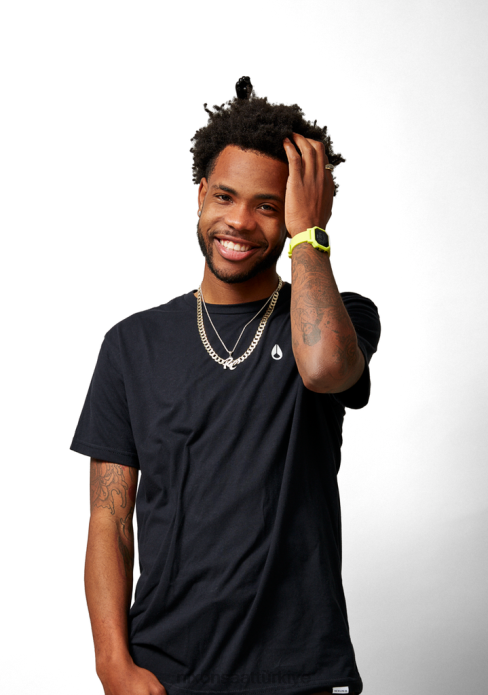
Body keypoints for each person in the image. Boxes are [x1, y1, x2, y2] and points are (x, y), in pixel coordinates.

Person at [70, 76, 381, 695]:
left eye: (268, 206)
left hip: (296, 672)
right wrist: (113, 665)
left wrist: (308, 236)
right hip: (164, 671)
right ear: (200, 195)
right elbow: (110, 517)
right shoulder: (131, 345)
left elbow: (324, 368)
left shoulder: (341, 318)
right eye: (225, 196)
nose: (239, 221)